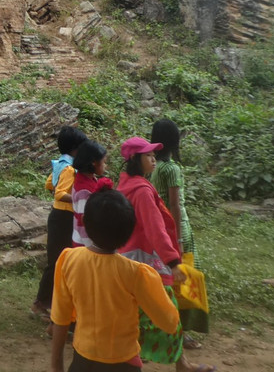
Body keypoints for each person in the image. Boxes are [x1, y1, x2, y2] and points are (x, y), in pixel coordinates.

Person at [49, 189, 180, 372]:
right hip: (124, 364)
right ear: (129, 230)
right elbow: (170, 322)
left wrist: (56, 366)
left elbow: (60, 318)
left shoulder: (68, 260)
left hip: (82, 361)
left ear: (85, 222)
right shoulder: (137, 274)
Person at [117, 137, 217, 372]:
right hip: (147, 261)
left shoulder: (127, 183)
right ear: (135, 159)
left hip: (129, 257)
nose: (153, 158)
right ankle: (179, 364)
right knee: (167, 311)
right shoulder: (141, 190)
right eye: (148, 155)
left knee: (136, 314)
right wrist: (172, 261)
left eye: (153, 154)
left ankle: (171, 362)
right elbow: (155, 228)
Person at [149, 119, 208, 348]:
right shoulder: (172, 169)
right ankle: (180, 331)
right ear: (174, 141)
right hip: (177, 228)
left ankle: (167, 326)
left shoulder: (155, 167)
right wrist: (179, 238)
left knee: (168, 280)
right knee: (184, 281)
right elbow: (174, 205)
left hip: (161, 228)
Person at [34, 125, 88, 319]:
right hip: (64, 218)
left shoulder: (60, 164)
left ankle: (52, 304)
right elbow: (59, 193)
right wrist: (80, 198)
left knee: (58, 261)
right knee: (57, 261)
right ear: (75, 148)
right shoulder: (70, 169)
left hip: (59, 217)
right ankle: (40, 303)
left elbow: (49, 184)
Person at [72, 140, 113, 248]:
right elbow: (83, 222)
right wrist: (92, 248)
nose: (105, 166)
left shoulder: (86, 179)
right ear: (94, 162)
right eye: (104, 162)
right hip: (84, 244)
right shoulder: (84, 191)